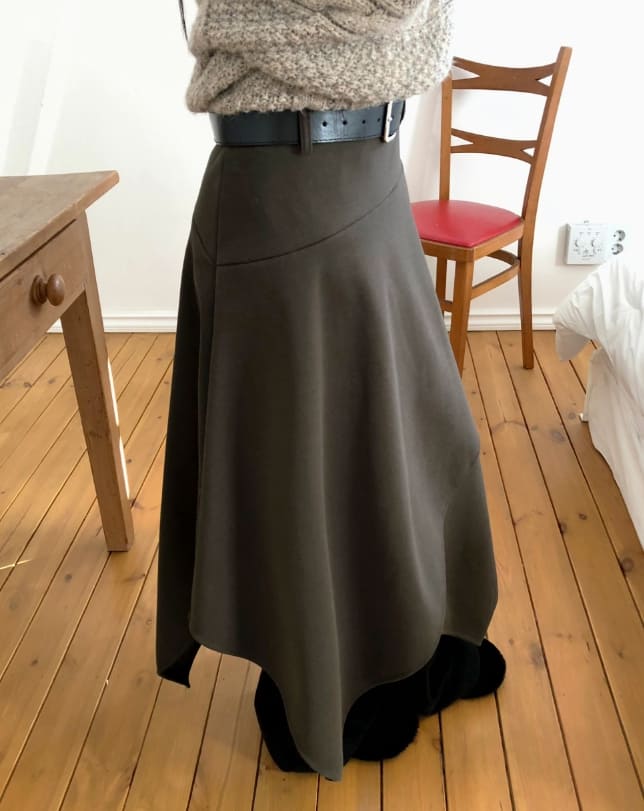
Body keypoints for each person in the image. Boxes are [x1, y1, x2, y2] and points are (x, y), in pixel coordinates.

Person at [156, 0, 506, 781]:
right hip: (287, 197)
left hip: (371, 179)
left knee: (411, 435)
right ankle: (322, 693)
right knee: (305, 465)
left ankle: (409, 654)